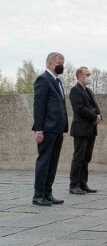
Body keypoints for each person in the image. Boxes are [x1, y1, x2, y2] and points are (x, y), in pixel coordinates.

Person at [31, 52, 68, 206]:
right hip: (47, 129)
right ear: (51, 63)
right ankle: (38, 195)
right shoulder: (43, 79)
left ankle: (48, 193)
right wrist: (39, 130)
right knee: (44, 162)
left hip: (58, 129)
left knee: (53, 163)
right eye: (60, 62)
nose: (62, 65)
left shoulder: (58, 82)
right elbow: (39, 106)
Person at [68, 67, 102, 195]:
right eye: (87, 74)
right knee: (78, 157)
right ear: (79, 76)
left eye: (90, 74)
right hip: (80, 128)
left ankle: (83, 183)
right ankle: (74, 185)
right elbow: (80, 109)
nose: (89, 76)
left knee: (87, 157)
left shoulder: (89, 91)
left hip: (91, 128)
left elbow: (95, 106)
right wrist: (94, 117)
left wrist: (99, 116)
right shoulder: (75, 91)